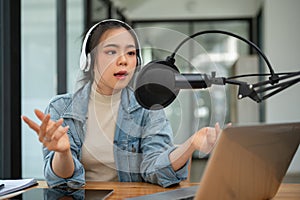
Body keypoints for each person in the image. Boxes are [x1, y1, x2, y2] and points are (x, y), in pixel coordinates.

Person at [21, 19, 221, 189]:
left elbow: (155, 170)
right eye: (111, 52)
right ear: (88, 61)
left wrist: (191, 143)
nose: (124, 60)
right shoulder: (61, 108)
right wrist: (63, 153)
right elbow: (60, 183)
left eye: (131, 53)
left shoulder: (147, 106)